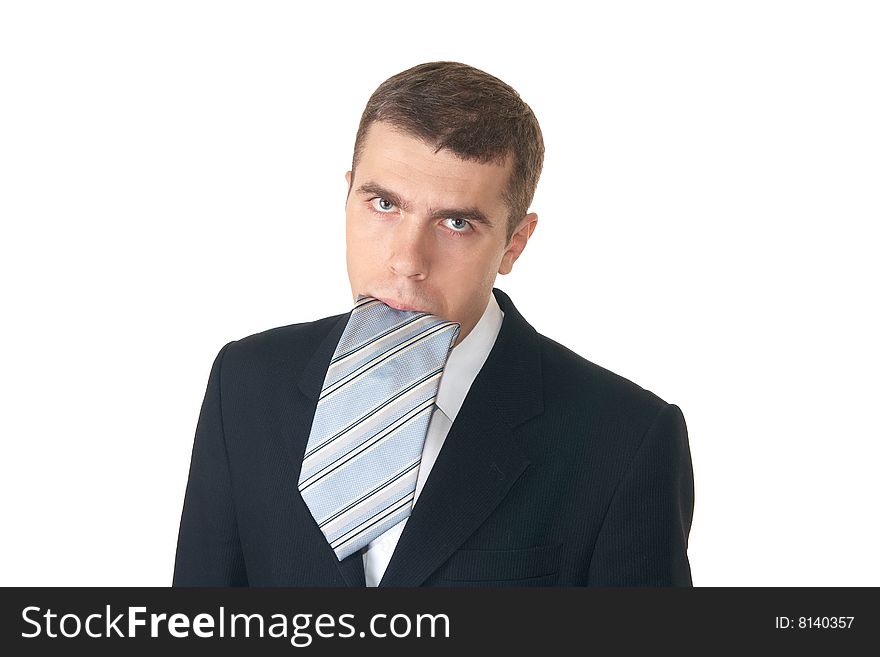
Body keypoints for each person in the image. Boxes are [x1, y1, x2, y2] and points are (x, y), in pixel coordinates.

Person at [172, 61, 695, 587]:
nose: (406, 260)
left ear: (515, 242)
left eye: (456, 222)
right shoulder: (246, 384)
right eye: (384, 204)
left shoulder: (626, 440)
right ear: (348, 195)